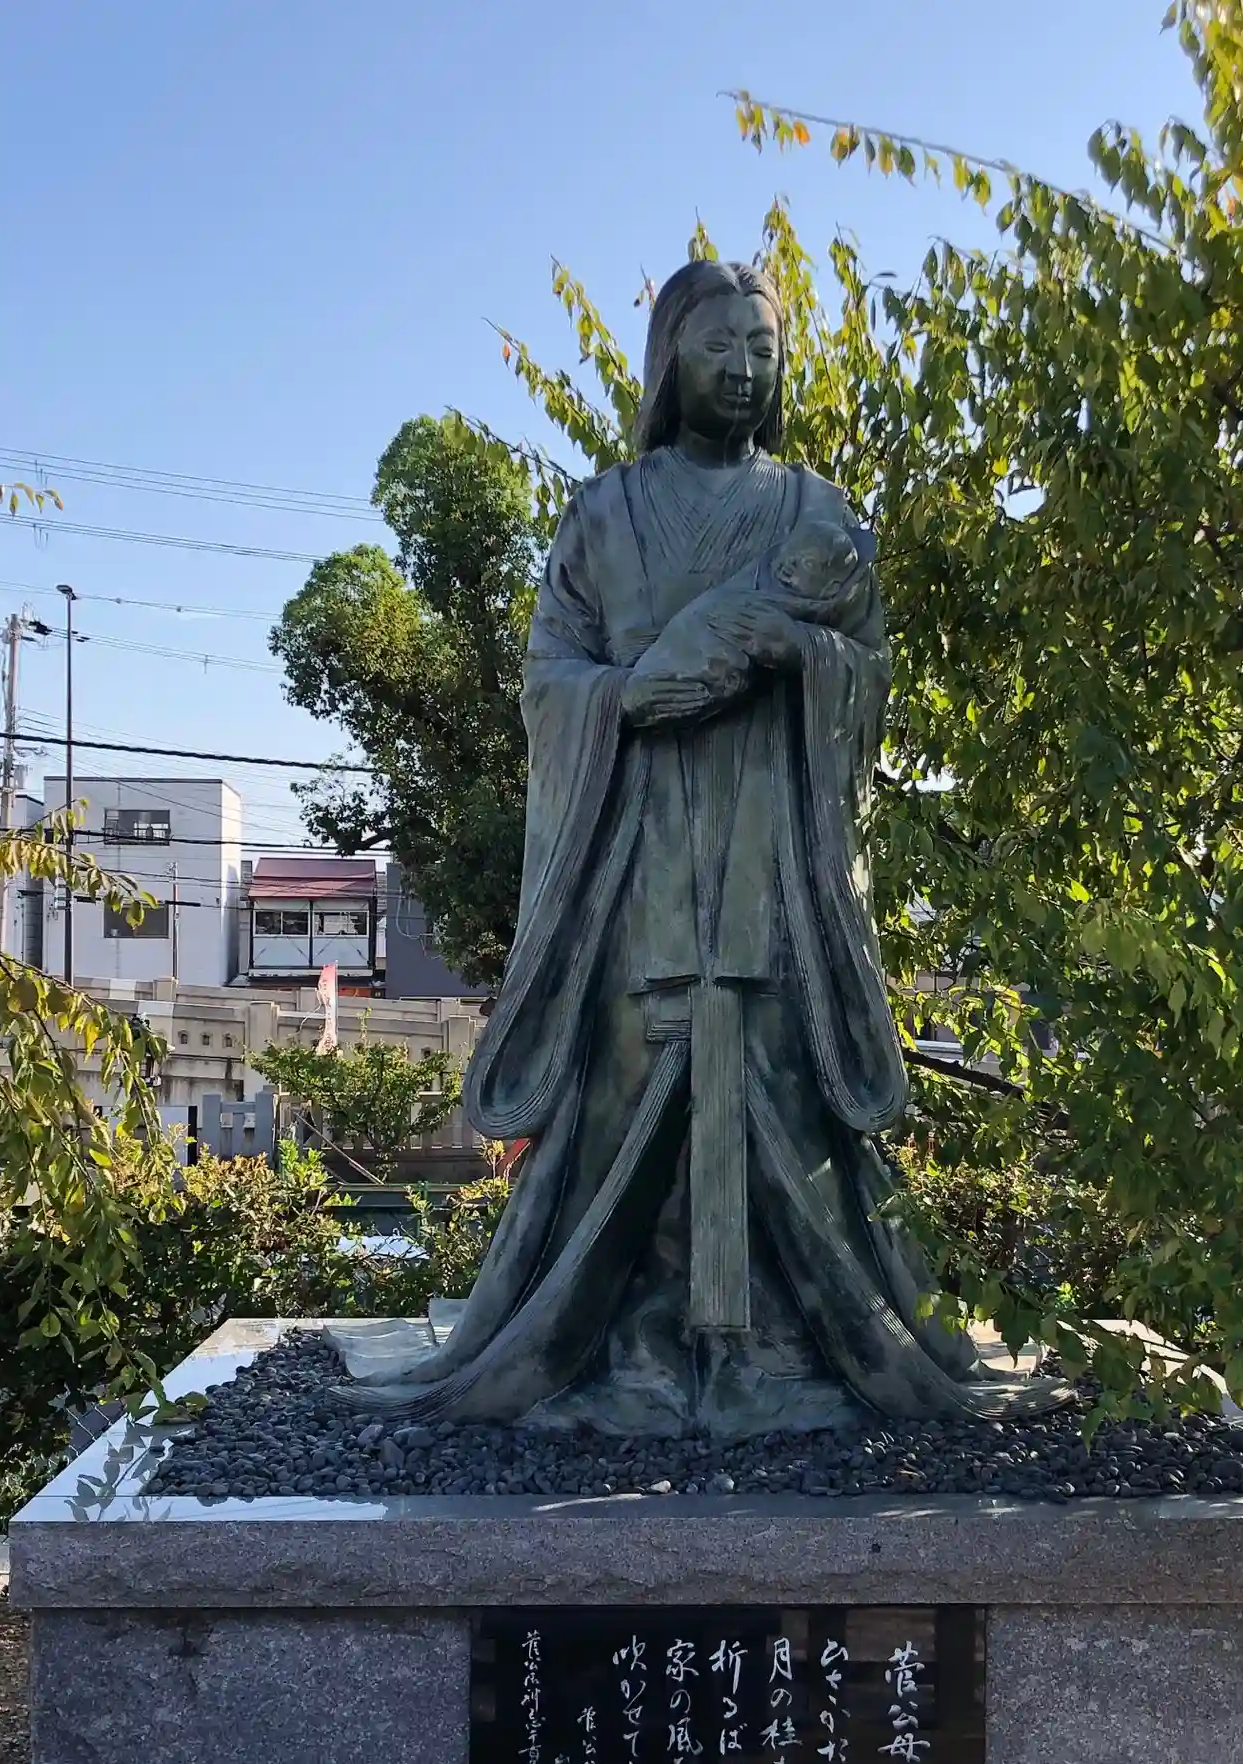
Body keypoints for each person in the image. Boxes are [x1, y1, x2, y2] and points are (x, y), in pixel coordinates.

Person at [346, 259, 1061, 1435]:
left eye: (762, 349)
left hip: (776, 862)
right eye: (719, 345)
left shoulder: (821, 517)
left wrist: (795, 655)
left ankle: (780, 1339)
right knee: (634, 1083)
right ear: (669, 359)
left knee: (779, 1080)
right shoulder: (603, 514)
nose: (742, 369)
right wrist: (624, 698)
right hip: (639, 860)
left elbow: (870, 679)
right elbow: (549, 679)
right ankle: (629, 1341)